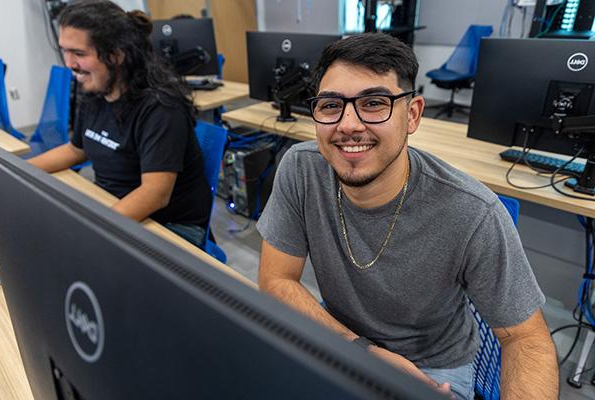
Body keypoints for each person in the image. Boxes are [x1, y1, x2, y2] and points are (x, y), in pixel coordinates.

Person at [257, 33, 558, 399]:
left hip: (433, 367)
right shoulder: (301, 169)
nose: (348, 124)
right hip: (342, 336)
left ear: (412, 114)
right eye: (331, 105)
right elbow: (277, 280)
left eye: (373, 103)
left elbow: (526, 339)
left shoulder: (473, 211)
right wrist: (363, 350)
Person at [28, 0, 211, 248]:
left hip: (168, 226)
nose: (69, 63)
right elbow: (75, 149)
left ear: (116, 56)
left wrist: (93, 229)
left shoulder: (161, 108)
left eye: (79, 53)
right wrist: (18, 170)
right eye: (65, 50)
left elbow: (154, 194)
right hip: (112, 205)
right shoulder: (94, 92)